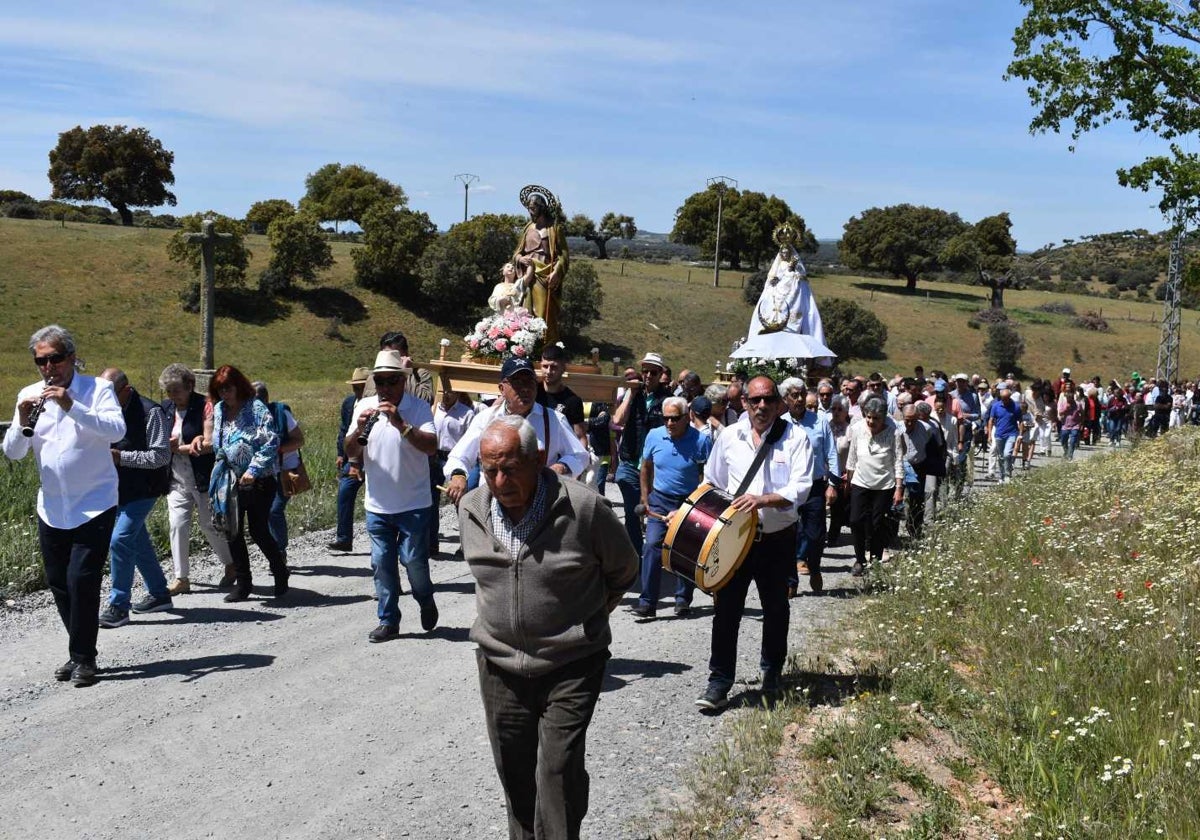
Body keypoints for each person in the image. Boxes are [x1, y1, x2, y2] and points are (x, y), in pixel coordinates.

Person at [459, 415, 637, 840]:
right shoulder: (471, 508)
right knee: (515, 775)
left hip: (572, 663)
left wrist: (588, 618)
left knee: (555, 771)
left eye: (510, 467)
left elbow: (625, 568)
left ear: (538, 459)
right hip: (500, 665)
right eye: (489, 469)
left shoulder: (583, 508)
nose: (499, 480)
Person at [4, 326, 125, 687]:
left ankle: (85, 658)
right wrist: (24, 419)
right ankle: (78, 652)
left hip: (95, 502)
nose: (48, 367)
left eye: (55, 358)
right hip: (53, 506)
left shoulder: (97, 389)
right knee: (59, 583)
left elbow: (115, 430)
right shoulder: (28, 394)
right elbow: (13, 451)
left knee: (81, 580)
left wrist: (70, 404)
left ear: (71, 357)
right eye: (41, 360)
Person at [695, 376, 813, 710]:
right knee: (726, 610)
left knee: (776, 608)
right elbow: (712, 482)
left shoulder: (796, 438)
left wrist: (763, 500)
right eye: (754, 400)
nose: (761, 406)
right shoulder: (730, 437)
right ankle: (719, 682)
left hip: (777, 540)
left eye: (768, 400)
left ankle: (771, 673)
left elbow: (801, 488)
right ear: (744, 402)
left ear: (779, 403)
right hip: (735, 541)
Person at [344, 350, 439, 641]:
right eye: (380, 381)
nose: (385, 388)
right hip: (378, 504)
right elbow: (351, 451)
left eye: (391, 381)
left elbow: (432, 446)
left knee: (413, 561)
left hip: (413, 503)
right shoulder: (365, 404)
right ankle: (388, 620)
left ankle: (425, 598)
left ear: (403, 381)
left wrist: (401, 425)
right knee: (381, 562)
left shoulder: (418, 407)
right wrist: (358, 430)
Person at [444, 358, 589, 505]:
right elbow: (459, 457)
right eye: (517, 382)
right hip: (494, 501)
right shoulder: (485, 419)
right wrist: (458, 476)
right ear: (502, 389)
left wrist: (561, 466)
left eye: (529, 381)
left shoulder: (554, 419)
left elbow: (580, 455)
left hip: (540, 501)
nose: (525, 388)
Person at [97, 368, 173, 628]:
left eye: (110, 395)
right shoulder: (106, 413)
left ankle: (119, 605)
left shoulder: (151, 412)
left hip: (146, 488)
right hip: (117, 490)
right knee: (137, 541)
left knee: (120, 540)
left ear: (126, 390)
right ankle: (160, 594)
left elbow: (161, 456)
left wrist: (121, 457)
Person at [209, 365, 288, 602]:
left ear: (238, 386)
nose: (225, 394)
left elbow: (270, 442)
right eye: (220, 390)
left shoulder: (255, 407)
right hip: (229, 479)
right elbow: (218, 442)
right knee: (232, 530)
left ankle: (280, 570)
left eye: (228, 388)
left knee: (258, 529)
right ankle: (244, 584)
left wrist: (253, 470)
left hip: (259, 480)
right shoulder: (220, 409)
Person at [632, 396, 712, 619]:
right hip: (660, 499)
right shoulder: (654, 436)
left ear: (687, 417)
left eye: (675, 418)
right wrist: (645, 497)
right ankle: (647, 602)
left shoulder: (701, 441)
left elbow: (710, 474)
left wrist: (698, 503)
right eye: (665, 418)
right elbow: (645, 467)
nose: (669, 423)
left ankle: (683, 599)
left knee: (686, 548)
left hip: (689, 500)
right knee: (652, 547)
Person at [159, 363, 235, 592]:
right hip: (176, 479)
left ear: (190, 386)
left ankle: (231, 564)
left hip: (202, 477)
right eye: (169, 391)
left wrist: (180, 447)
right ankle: (181, 578)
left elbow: (209, 444)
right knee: (177, 525)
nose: (173, 396)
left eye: (176, 390)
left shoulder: (207, 405)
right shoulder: (165, 408)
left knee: (209, 525)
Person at [779, 378, 838, 596]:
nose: (800, 399)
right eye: (794, 395)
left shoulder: (820, 421)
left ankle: (814, 567)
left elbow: (831, 453)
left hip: (814, 487)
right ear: (786, 399)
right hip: (789, 488)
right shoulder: (781, 423)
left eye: (802, 394)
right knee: (789, 534)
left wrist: (832, 484)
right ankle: (790, 580)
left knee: (815, 535)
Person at [611, 352, 672, 554]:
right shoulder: (632, 395)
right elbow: (618, 420)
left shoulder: (667, 399)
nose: (647, 376)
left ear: (661, 374)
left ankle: (655, 551)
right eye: (644, 371)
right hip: (630, 459)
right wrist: (631, 394)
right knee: (632, 511)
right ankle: (637, 554)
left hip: (653, 466)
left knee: (652, 512)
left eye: (653, 372)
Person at [845, 397, 905, 577]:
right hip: (860, 481)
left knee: (878, 524)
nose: (871, 421)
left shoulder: (893, 432)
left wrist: (899, 487)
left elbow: (898, 461)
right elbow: (852, 457)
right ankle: (859, 559)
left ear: (883, 417)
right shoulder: (857, 429)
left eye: (876, 418)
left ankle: (876, 558)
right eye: (869, 417)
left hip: (884, 485)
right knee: (855, 520)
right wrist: (848, 481)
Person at [254, 381, 305, 567]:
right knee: (265, 512)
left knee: (275, 511)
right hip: (263, 472)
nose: (255, 403)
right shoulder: (250, 417)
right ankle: (274, 550)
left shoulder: (281, 413)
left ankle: (280, 550)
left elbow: (299, 440)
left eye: (258, 399)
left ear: (266, 398)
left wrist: (277, 450)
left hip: (285, 471)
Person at [514, 185, 569, 347]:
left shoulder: (554, 228)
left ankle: (547, 346)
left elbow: (564, 255)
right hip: (527, 276)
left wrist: (557, 272)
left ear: (542, 208)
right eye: (529, 208)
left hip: (545, 275)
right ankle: (527, 345)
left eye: (533, 208)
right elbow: (517, 252)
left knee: (544, 312)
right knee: (526, 312)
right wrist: (520, 259)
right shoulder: (527, 228)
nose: (530, 212)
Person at [432, 386, 477, 556]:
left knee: (461, 500)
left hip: (457, 459)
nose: (445, 395)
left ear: (457, 392)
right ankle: (431, 542)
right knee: (431, 499)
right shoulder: (435, 409)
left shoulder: (467, 413)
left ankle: (466, 543)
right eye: (443, 392)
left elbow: (470, 440)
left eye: (449, 391)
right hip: (436, 457)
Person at [329, 367, 369, 552]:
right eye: (355, 387)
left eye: (360, 387)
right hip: (352, 458)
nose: (357, 391)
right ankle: (344, 538)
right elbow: (343, 430)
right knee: (345, 492)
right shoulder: (349, 403)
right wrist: (340, 453)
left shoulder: (375, 404)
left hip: (372, 458)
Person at [538, 344, 587, 450]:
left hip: (558, 458)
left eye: (554, 367)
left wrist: (580, 463)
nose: (548, 371)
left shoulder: (573, 401)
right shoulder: (531, 392)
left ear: (563, 368)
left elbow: (580, 437)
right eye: (545, 366)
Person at [987, 386, 1021, 483]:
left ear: (1010, 397)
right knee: (1001, 456)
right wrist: (989, 435)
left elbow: (1020, 421)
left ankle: (1007, 475)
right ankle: (1001, 476)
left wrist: (1020, 435)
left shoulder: (1016, 407)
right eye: (1003, 398)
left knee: (1007, 454)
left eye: (1006, 398)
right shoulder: (996, 406)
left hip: (1012, 433)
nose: (1004, 400)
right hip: (999, 434)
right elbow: (991, 420)